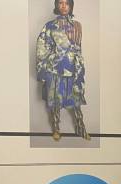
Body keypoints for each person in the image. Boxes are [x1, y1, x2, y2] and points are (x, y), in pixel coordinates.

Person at [36, 0, 90, 141]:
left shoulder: (78, 26)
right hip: (56, 68)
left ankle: (80, 127)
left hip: (74, 67)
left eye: (67, 3)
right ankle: (56, 128)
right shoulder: (50, 26)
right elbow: (41, 47)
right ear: (56, 6)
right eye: (60, 3)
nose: (64, 6)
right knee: (55, 99)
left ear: (71, 6)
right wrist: (46, 66)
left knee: (76, 99)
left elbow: (79, 48)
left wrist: (80, 65)